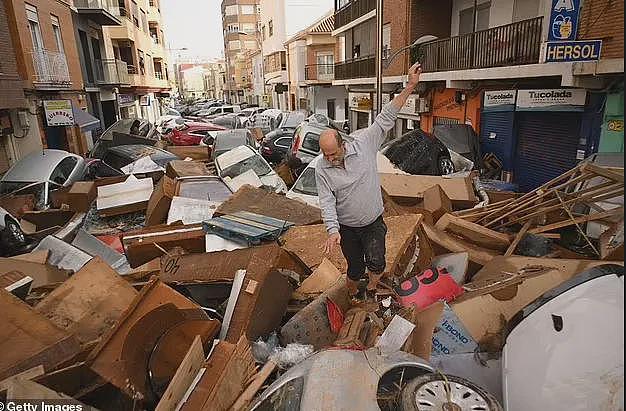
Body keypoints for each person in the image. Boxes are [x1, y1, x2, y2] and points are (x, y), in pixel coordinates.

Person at [315, 62, 422, 301]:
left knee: (377, 262)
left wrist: (410, 85)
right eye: (325, 155)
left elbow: (386, 116)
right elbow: (326, 201)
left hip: (373, 222)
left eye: (333, 153)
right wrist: (333, 231)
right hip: (348, 228)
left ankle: (372, 288)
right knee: (355, 268)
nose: (330, 159)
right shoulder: (321, 168)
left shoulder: (364, 143)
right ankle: (352, 294)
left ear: (343, 144)